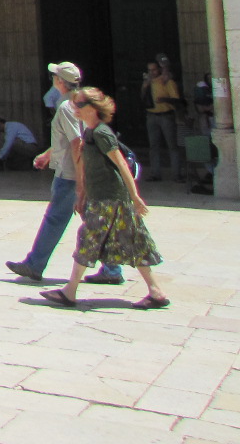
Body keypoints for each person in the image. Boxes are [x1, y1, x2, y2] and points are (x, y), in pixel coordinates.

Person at [40, 87, 169, 310]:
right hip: (103, 197)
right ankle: (156, 292)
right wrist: (82, 194)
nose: (75, 109)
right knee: (134, 241)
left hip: (110, 199)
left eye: (79, 105)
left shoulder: (101, 133)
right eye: (74, 104)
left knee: (89, 239)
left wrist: (135, 197)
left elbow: (121, 165)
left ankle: (69, 292)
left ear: (94, 108)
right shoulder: (90, 133)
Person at [6, 62, 123, 286]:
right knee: (93, 219)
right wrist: (49, 153)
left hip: (71, 174)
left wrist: (80, 182)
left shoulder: (66, 107)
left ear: (60, 81)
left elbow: (77, 142)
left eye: (55, 76)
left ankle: (34, 264)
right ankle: (112, 268)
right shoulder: (81, 104)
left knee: (56, 218)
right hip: (80, 170)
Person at [142, 60, 182, 181]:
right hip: (151, 116)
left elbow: (176, 99)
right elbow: (143, 98)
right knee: (153, 146)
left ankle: (177, 174)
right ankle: (155, 174)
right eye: (149, 70)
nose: (152, 72)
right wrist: (145, 86)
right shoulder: (148, 83)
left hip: (166, 116)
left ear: (159, 69)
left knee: (172, 146)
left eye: (154, 69)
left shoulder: (167, 81)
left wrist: (164, 99)